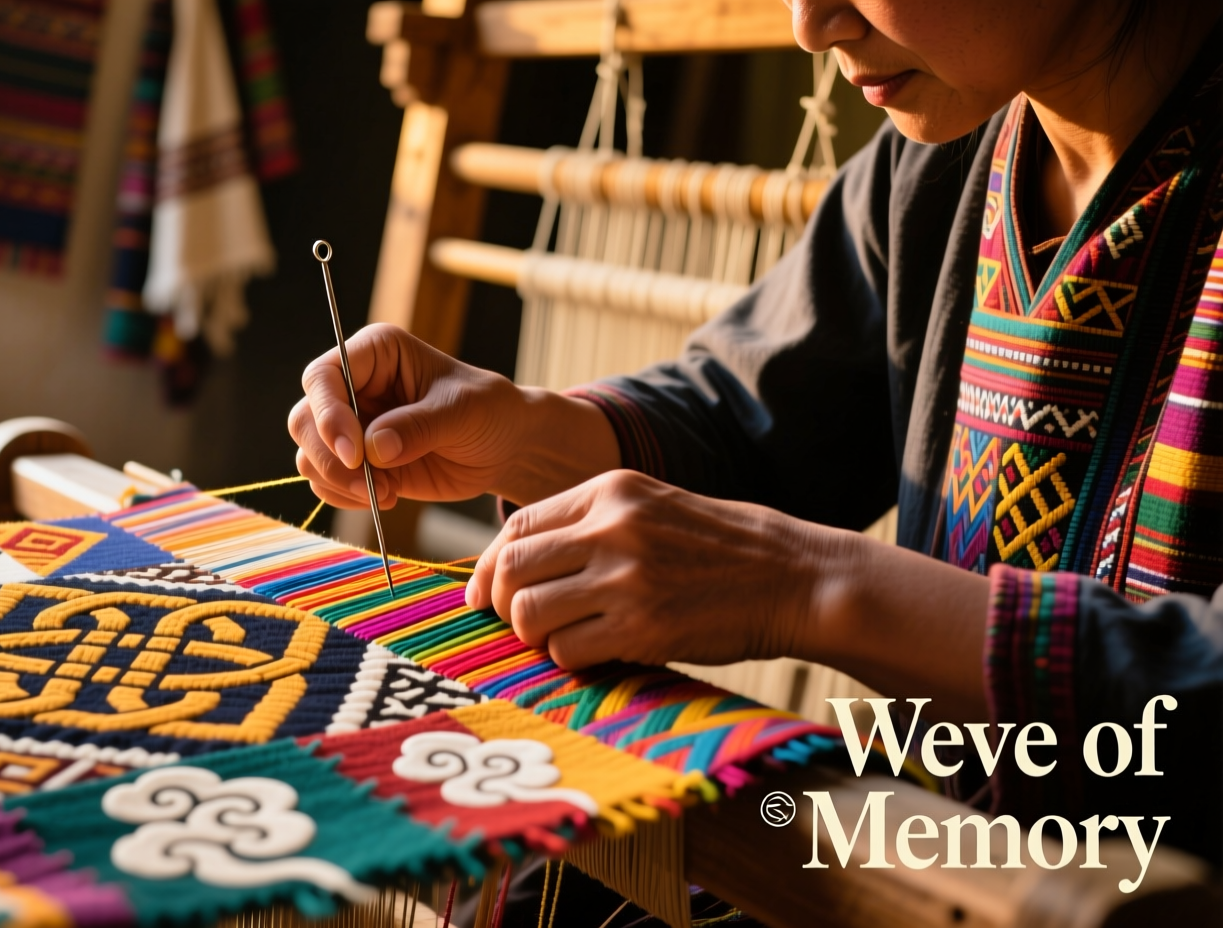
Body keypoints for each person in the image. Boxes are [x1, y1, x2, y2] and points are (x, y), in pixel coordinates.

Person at [290, 0, 1223, 865]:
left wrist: (809, 586)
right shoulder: (947, 163)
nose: (812, 25)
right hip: (941, 872)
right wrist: (528, 432)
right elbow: (760, 418)